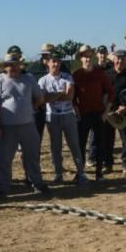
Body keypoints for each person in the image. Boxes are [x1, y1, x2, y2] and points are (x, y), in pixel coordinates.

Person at [0, 53, 51, 198]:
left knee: (32, 157)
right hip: (7, 128)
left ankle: (37, 183)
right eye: (10, 64)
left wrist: (33, 107)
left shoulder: (28, 79)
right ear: (5, 66)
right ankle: (3, 188)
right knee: (4, 159)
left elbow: (40, 97)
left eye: (16, 64)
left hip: (28, 126)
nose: (13, 67)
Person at [38, 51, 89, 185]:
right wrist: (61, 93)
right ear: (48, 63)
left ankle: (81, 173)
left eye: (58, 61)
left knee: (74, 145)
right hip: (52, 116)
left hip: (68, 114)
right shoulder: (43, 80)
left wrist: (53, 95)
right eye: (52, 61)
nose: (55, 64)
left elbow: (70, 96)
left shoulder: (67, 77)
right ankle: (58, 174)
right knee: (56, 146)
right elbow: (43, 99)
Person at [72, 45, 114, 180]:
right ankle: (80, 172)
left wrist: (106, 112)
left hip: (98, 114)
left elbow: (111, 92)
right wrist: (77, 113)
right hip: (83, 115)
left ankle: (99, 173)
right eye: (85, 56)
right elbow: (73, 98)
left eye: (89, 56)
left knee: (100, 143)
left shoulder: (100, 73)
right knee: (81, 144)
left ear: (93, 58)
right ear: (81, 59)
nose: (87, 59)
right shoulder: (76, 75)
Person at [105, 50, 126, 173]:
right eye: (117, 58)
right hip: (108, 113)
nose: (120, 61)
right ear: (113, 59)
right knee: (107, 140)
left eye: (122, 59)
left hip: (124, 113)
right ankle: (108, 164)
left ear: (125, 60)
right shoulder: (106, 75)